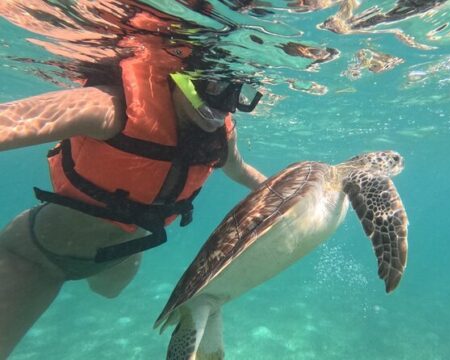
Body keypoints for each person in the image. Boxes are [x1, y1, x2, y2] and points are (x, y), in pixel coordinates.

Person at [0, 53, 266, 358]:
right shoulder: (113, 108)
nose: (226, 104)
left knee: (108, 292)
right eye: (217, 86)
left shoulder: (219, 136)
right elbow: (10, 122)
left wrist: (292, 192)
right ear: (182, 75)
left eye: (238, 93)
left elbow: (241, 170)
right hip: (38, 257)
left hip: (121, 257)